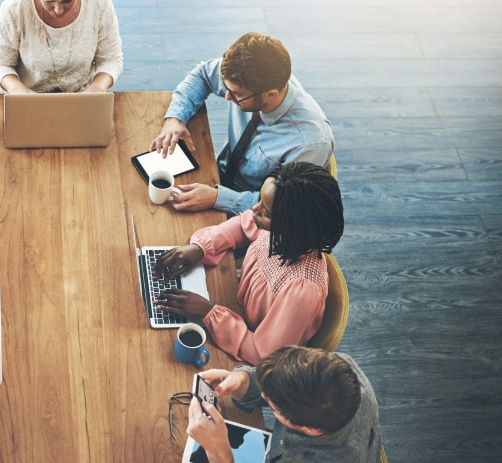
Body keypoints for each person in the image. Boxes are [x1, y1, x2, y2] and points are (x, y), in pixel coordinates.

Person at [154, 162, 343, 365]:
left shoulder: (302, 289)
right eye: (260, 200)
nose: (254, 208)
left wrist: (209, 312)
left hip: (250, 353)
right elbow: (243, 226)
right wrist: (200, 248)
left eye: (267, 212)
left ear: (293, 226)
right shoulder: (278, 231)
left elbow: (263, 355)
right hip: (237, 312)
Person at [149, 32, 333, 216]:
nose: (227, 97)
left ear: (271, 94)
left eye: (236, 94)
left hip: (251, 216)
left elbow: (284, 206)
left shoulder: (310, 144)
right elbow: (203, 74)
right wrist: (175, 118)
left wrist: (217, 198)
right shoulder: (249, 77)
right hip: (215, 175)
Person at [187, 346, 382, 462]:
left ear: (310, 429)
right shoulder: (343, 368)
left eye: (274, 406)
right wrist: (243, 379)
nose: (263, 393)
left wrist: (218, 453)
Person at [0, 0, 123, 93]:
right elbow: (0, 64)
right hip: (26, 97)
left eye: (68, 0)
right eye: (49, 0)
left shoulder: (100, 5)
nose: (58, 10)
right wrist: (19, 91)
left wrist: (97, 88)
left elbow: (110, 59)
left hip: (82, 97)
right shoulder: (13, 10)